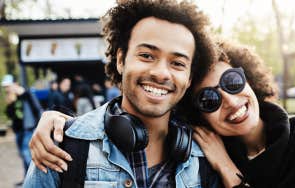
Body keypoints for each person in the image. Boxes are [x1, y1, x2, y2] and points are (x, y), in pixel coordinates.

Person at [24, 0, 218, 187]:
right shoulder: (60, 146)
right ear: (121, 60)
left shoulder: (207, 159)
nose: (161, 73)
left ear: (189, 78)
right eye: (147, 56)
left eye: (177, 63)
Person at [185, 42, 295, 187]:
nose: (232, 102)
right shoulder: (201, 159)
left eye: (232, 81)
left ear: (249, 81)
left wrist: (227, 170)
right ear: (199, 116)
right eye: (208, 99)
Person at [1, 74, 43, 184]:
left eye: (8, 86)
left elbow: (37, 109)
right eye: (5, 87)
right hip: (18, 130)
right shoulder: (11, 97)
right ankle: (27, 179)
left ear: (15, 84)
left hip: (28, 129)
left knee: (26, 153)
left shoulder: (27, 94)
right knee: (22, 154)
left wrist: (40, 127)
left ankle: (35, 179)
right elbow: (10, 115)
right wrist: (10, 104)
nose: (6, 89)